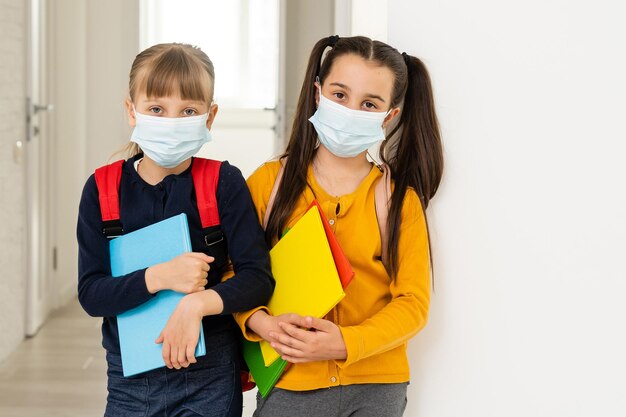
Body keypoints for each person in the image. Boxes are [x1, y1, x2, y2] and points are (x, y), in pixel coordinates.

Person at [236, 35, 444, 416]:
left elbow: (413, 303)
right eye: (339, 94)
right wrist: (259, 323)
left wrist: (346, 343)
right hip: (290, 383)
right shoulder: (267, 184)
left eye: (369, 103)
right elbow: (232, 270)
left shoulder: (399, 201)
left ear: (389, 115)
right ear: (318, 93)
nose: (350, 110)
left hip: (377, 388)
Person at [77, 43, 274, 417]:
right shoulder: (102, 190)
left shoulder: (223, 183)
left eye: (187, 111)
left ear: (210, 116)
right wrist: (159, 276)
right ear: (130, 111)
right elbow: (91, 293)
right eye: (156, 109)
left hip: (212, 375)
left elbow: (257, 278)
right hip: (129, 379)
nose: (170, 121)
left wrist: (196, 304)